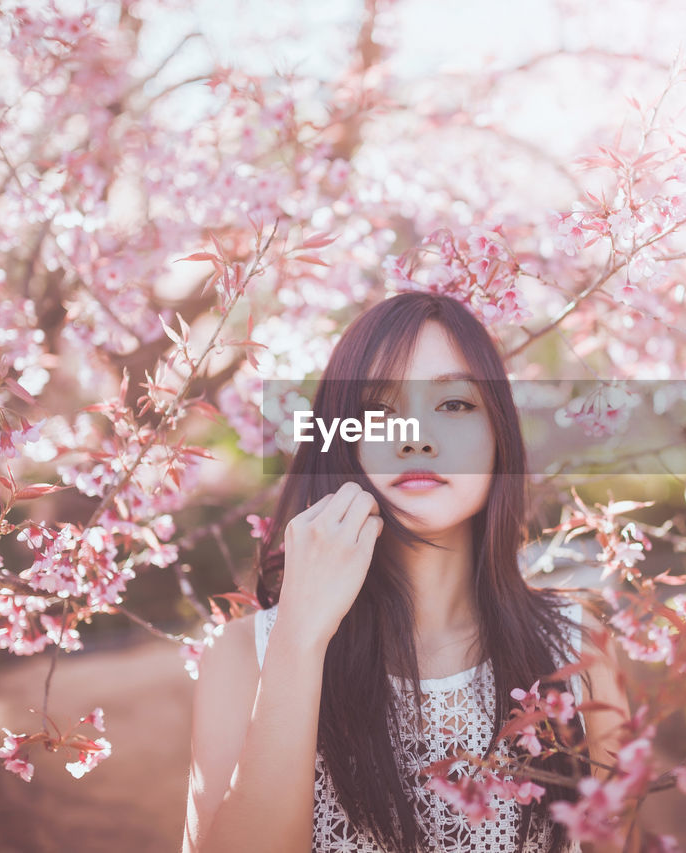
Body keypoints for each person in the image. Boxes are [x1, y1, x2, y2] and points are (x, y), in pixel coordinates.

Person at [181, 292, 629, 853]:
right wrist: (299, 637)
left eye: (455, 404)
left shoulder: (578, 645)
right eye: (381, 411)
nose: (415, 437)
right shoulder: (244, 654)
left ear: (499, 437)